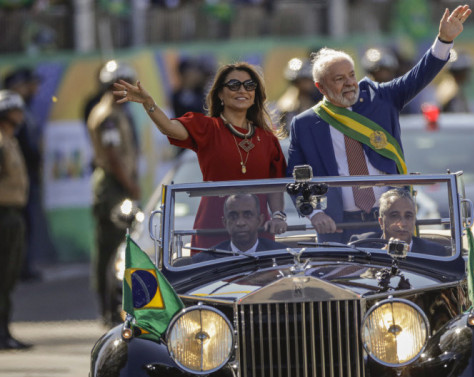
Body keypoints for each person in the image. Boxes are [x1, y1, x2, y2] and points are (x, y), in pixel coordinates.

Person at [286, 5, 471, 243]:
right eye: (339, 79)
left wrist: (444, 40)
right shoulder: (305, 124)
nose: (350, 83)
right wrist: (314, 213)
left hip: (392, 221)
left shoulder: (381, 98)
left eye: (351, 75)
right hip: (337, 226)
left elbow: (418, 76)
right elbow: (294, 177)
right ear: (321, 87)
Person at [113, 62, 288, 248]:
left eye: (249, 85)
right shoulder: (206, 128)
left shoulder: (268, 138)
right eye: (234, 85)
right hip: (213, 230)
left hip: (257, 233)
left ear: (255, 94)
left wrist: (277, 215)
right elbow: (169, 128)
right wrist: (149, 104)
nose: (242, 90)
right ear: (220, 93)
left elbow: (274, 186)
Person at [87, 60, 141, 325]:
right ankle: (108, 309)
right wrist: (129, 185)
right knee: (110, 247)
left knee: (120, 244)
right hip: (112, 186)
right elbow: (113, 155)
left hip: (118, 183)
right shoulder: (108, 115)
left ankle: (114, 306)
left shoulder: (119, 113)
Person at [4, 67, 55, 280]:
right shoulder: (6, 131)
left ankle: (23, 266)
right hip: (9, 191)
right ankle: (19, 268)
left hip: (24, 181)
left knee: (25, 226)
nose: (33, 88)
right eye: (28, 84)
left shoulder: (27, 111)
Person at [0, 90, 31, 350]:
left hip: (13, 215)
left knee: (9, 277)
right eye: (15, 110)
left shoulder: (11, 140)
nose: (20, 115)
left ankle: (4, 331)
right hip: (3, 217)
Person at [276, 57, 322, 135]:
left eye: (311, 79)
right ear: (296, 82)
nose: (310, 83)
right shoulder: (286, 108)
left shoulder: (318, 106)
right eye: (305, 79)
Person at [435, 49, 474, 113]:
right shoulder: (452, 93)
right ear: (460, 72)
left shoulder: (449, 87)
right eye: (466, 71)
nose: (469, 75)